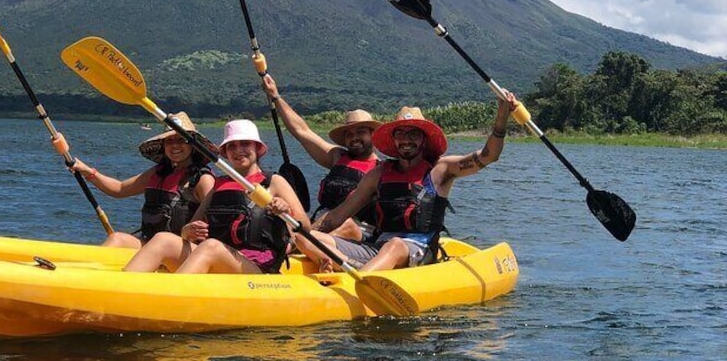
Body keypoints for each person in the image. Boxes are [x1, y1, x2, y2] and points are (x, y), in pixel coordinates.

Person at [296, 92, 518, 273]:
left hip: (418, 250)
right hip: (377, 248)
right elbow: (338, 215)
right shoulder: (379, 173)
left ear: (424, 139)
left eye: (413, 134)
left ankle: (356, 279)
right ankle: (353, 265)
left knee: (394, 246)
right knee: (309, 238)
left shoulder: (440, 170)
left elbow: (489, 155)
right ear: (394, 140)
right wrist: (298, 238)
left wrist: (502, 115)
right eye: (400, 134)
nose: (406, 140)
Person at [168, 119, 311, 274]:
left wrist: (285, 210)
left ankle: (169, 295)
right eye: (232, 146)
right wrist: (186, 232)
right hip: (219, 258)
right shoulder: (219, 185)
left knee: (211, 246)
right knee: (163, 239)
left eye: (245, 144)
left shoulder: (273, 182)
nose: (238, 150)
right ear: (226, 152)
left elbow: (305, 226)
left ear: (256, 147)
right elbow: (191, 226)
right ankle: (139, 289)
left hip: (255, 267)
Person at [69, 112, 215, 250]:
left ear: (193, 145)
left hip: (183, 250)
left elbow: (215, 222)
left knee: (160, 243)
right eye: (169, 141)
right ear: (163, 146)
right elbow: (119, 189)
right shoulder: (159, 172)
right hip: (151, 245)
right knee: (117, 239)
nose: (175, 145)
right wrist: (86, 170)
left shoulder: (203, 179)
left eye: (181, 140)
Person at [262, 74, 381, 241]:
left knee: (347, 225)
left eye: (360, 132)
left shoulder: (380, 170)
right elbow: (302, 131)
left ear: (373, 135)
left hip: (356, 231)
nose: (354, 138)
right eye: (349, 134)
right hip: (322, 224)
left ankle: (302, 243)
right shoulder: (337, 156)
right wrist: (275, 96)